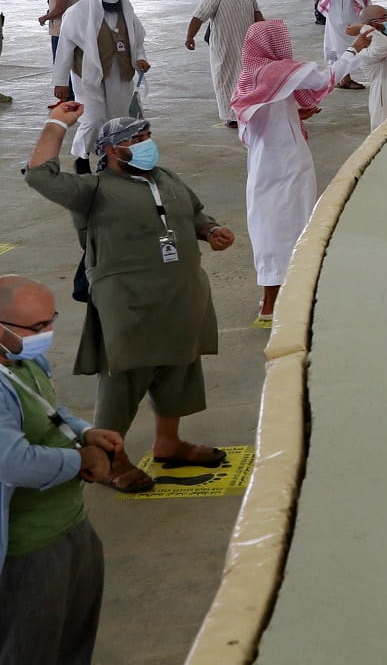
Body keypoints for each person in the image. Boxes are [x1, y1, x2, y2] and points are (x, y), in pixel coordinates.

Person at [24, 110, 233, 485]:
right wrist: (57, 124)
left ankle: (168, 444)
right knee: (125, 376)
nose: (145, 144)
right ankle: (109, 459)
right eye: (135, 139)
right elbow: (40, 176)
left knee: (179, 367)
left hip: (181, 294)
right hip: (129, 301)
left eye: (147, 135)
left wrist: (211, 230)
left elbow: (194, 211)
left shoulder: (165, 177)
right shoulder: (92, 190)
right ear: (111, 150)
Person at [0, 275, 124, 664]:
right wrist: (83, 460)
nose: (47, 333)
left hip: (70, 527)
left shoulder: (19, 357)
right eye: (37, 327)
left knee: (72, 648)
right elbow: (16, 465)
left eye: (51, 321)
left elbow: (49, 411)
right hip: (22, 552)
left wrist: (86, 431)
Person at [232, 19, 367, 318]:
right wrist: (352, 51)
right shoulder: (271, 71)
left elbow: (262, 117)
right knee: (289, 224)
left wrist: (294, 113)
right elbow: (323, 78)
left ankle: (280, 296)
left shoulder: (252, 74)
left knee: (273, 223)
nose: (285, 47)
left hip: (268, 162)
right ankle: (275, 303)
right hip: (285, 164)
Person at [53, 0, 148, 166]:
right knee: (93, 119)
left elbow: (137, 41)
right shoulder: (77, 14)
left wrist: (140, 59)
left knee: (118, 118)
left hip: (120, 73)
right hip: (87, 75)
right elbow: (64, 50)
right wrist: (61, 82)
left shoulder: (126, 12)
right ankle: (81, 157)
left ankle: (109, 157)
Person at [186, 0, 264, 128]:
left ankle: (251, 110)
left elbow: (257, 13)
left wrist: (265, 30)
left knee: (250, 78)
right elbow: (198, 17)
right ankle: (231, 116)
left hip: (248, 44)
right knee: (226, 79)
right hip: (225, 45)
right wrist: (190, 37)